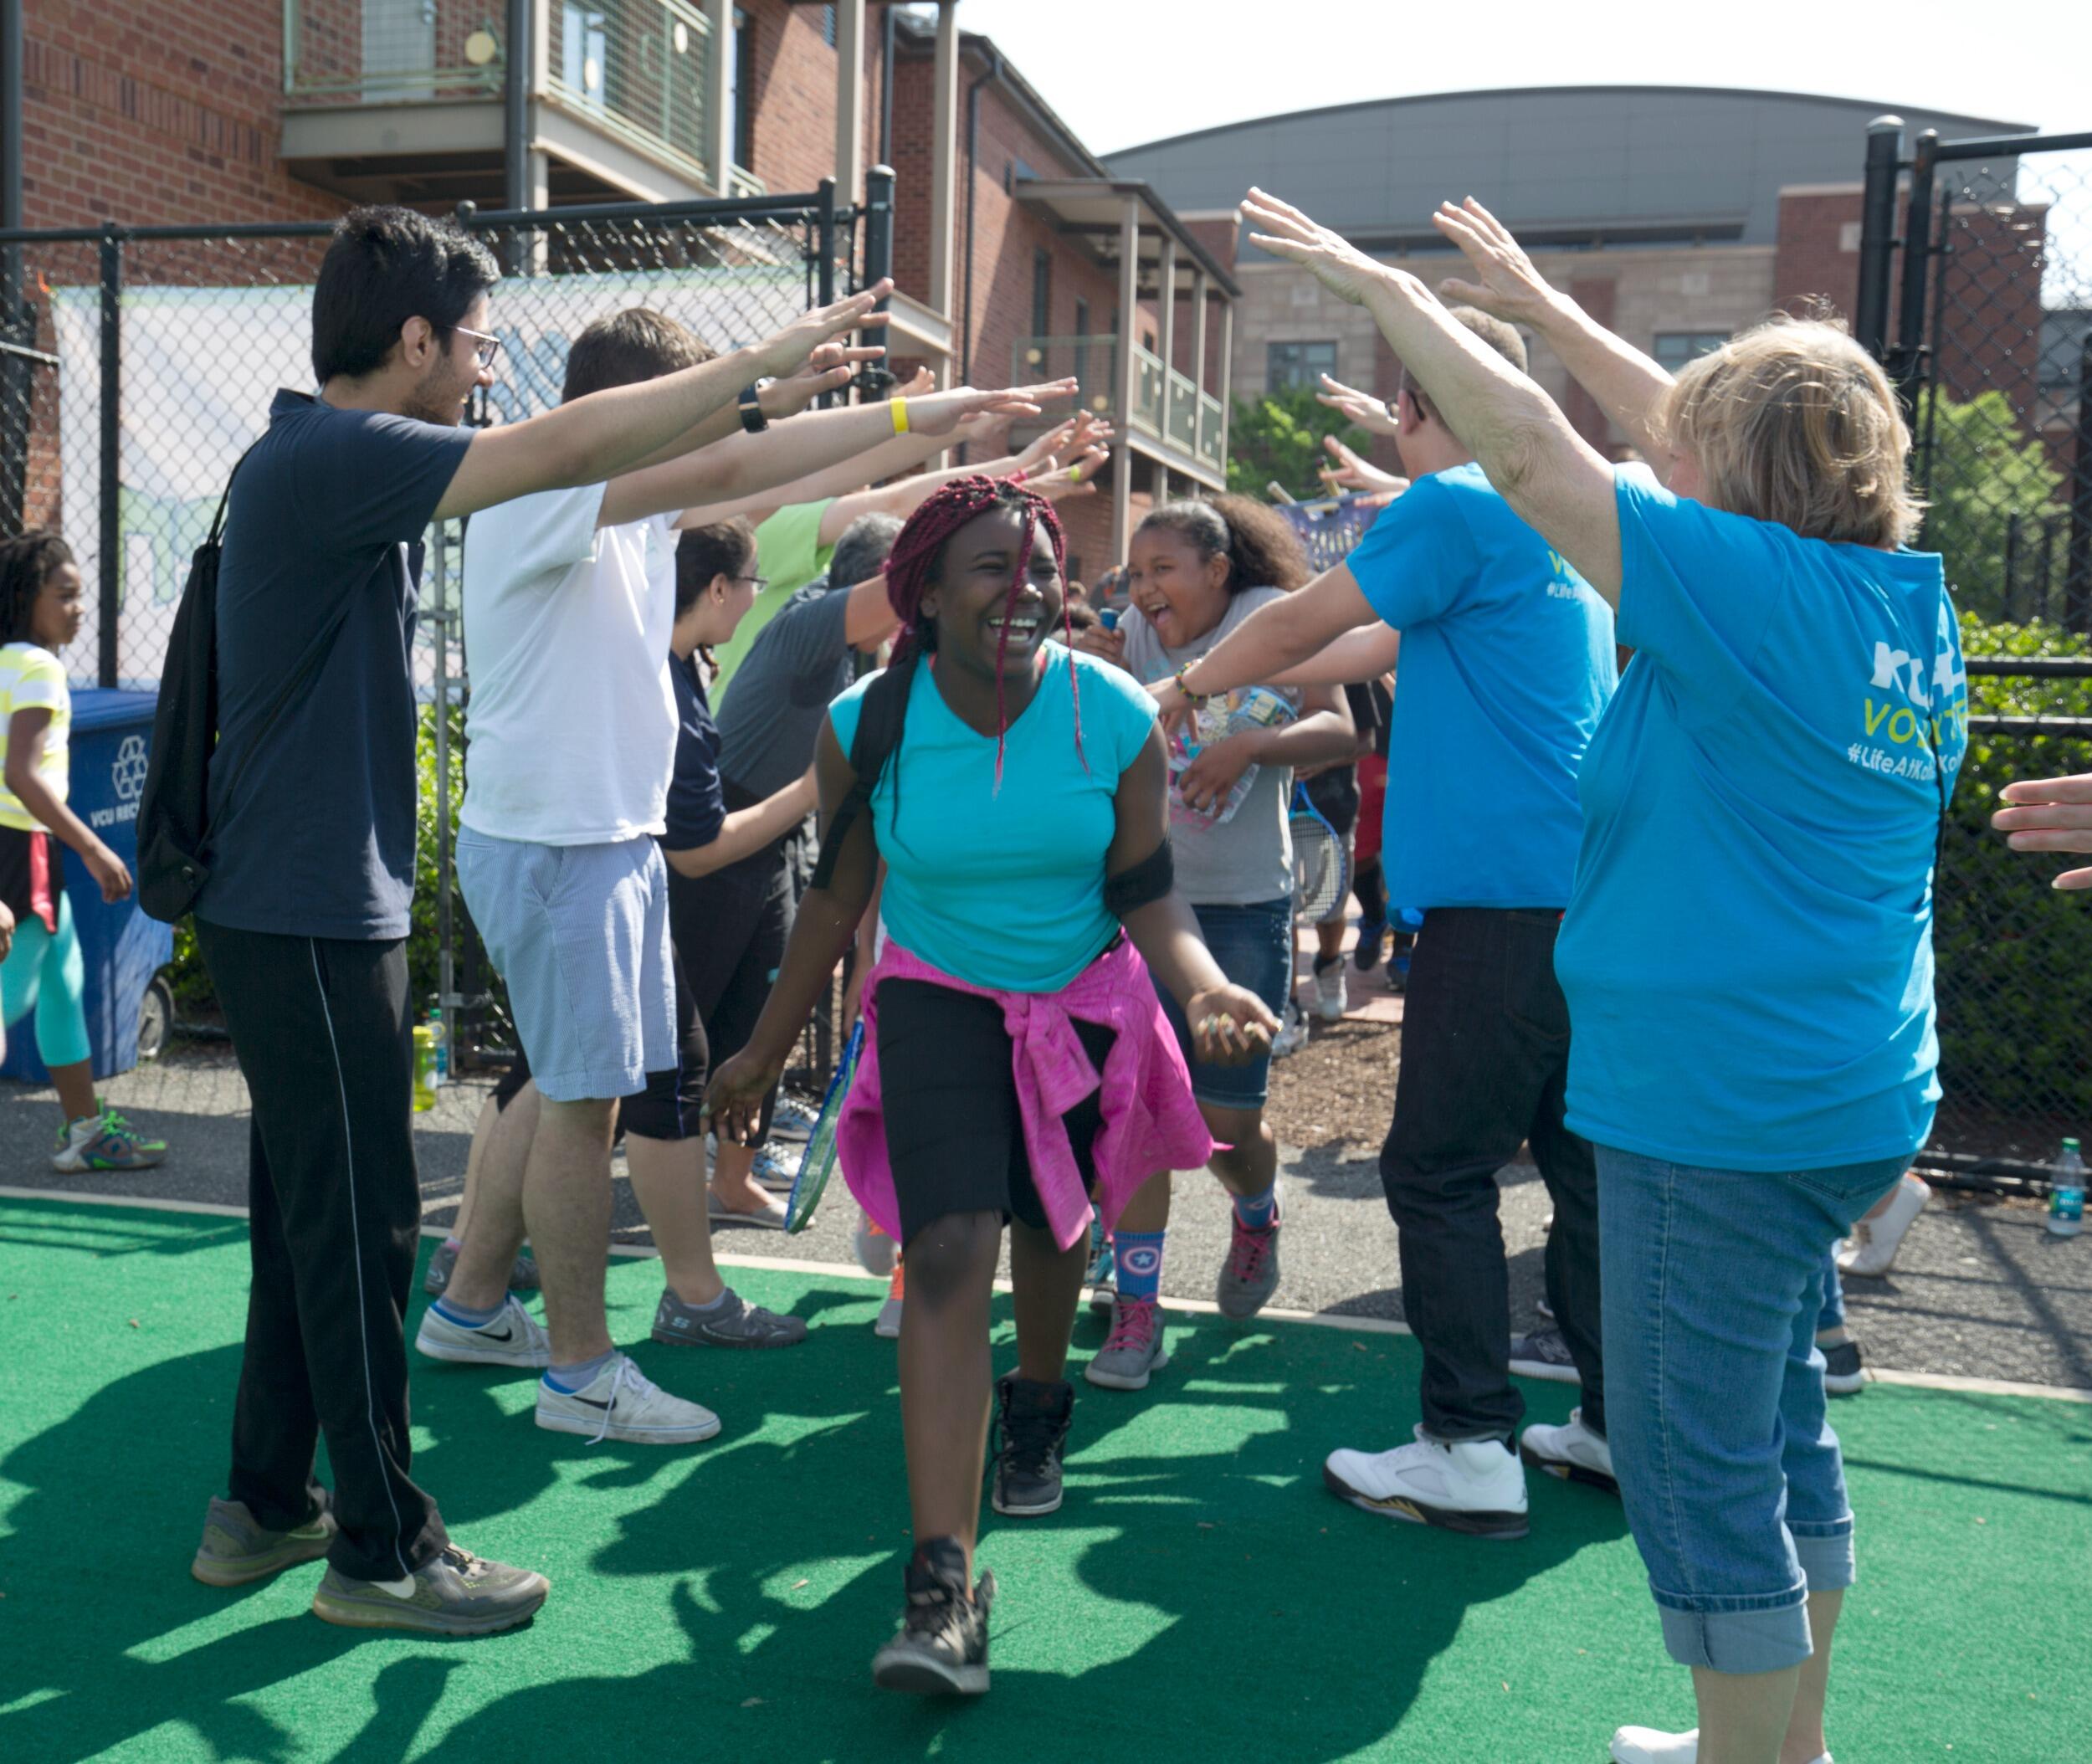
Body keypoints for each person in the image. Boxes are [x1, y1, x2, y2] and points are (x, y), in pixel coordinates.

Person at [1248, 187, 1966, 1764]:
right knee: (1779, 1421)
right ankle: (1788, 1746)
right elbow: (1708, 434)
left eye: (1693, 455)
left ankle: (1745, 1761)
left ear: (1745, 486)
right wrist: (1549, 308)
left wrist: (1385, 282)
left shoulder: (1751, 597)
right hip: (1839, 1094)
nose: (1663, 466)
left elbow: (1530, 454)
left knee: (1694, 1455)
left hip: (1721, 1111)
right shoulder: (1892, 604)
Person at [184, 203, 890, 1634]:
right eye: (479, 344)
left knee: (304, 1218)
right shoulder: (335, 451)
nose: (490, 370)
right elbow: (581, 445)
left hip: (312, 900)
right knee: (367, 1227)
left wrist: (845, 408)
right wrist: (763, 362)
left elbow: (681, 459)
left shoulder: (316, 460)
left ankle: (262, 1501)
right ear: (416, 340)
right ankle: (383, 1548)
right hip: (308, 905)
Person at [439, 306, 1063, 1434]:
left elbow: (777, 459)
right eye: (686, 415)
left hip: (603, 844)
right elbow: (744, 445)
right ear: (631, 417)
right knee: (583, 1110)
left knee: (573, 1089)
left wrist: (937, 422)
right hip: (560, 848)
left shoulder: (635, 508)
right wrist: (828, 396)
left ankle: (474, 1304)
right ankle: (582, 1375)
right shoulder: (544, 491)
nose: (709, 447)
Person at [705, 474, 1277, 1697]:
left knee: (1052, 1223)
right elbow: (836, 896)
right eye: (990, 569)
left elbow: (1145, 890)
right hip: (935, 997)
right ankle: (943, 1583)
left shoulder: (1111, 712)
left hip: (1082, 997)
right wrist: (759, 1048)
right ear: (923, 591)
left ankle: (1040, 1400)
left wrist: (1205, 986)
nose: (1025, 593)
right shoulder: (869, 723)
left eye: (1042, 570)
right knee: (955, 1246)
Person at [1151, 305, 1616, 1532]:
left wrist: (1186, 685)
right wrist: (1244, 688)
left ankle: (1467, 1443)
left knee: (1439, 1167)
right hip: (1584, 899)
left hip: (1499, 904)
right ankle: (1620, 1424)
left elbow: (1306, 622)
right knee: (1579, 1166)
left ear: (1418, 409)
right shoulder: (1555, 519)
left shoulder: (1455, 505)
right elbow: (1359, 639)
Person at [1074, 496, 1356, 1389]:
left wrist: (1253, 747)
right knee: (1132, 1114)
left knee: (1225, 1127)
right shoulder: (1128, 635)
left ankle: (1257, 1215)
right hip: (1137, 905)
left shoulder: (1269, 623)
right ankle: (1137, 1311)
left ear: (1217, 569)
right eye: (1136, 570)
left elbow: (1341, 725)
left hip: (1243, 905)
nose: (1144, 587)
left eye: (1162, 569)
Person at [0, 533, 165, 1172]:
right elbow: (22, 773)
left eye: (80, 596)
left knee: (63, 985)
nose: (77, 608)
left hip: (20, 849)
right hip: (27, 852)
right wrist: (93, 848)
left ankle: (86, 1131)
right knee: (8, 1000)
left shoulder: (7, 662)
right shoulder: (39, 668)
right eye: (63, 595)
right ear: (25, 598)